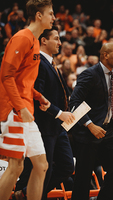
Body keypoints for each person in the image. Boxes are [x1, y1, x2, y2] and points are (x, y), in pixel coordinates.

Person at [0, 1, 55, 200]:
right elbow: (6, 76)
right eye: (50, 13)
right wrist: (20, 106)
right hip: (14, 111)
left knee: (41, 166)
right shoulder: (22, 38)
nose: (54, 17)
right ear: (39, 16)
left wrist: (39, 97)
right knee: (16, 167)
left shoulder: (36, 40)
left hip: (26, 111)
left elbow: (23, 81)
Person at [13, 25, 75, 200]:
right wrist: (58, 113)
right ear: (44, 40)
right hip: (44, 125)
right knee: (42, 170)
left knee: (66, 167)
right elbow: (36, 95)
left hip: (59, 126)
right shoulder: (37, 62)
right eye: (56, 38)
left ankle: (26, 194)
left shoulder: (51, 64)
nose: (59, 42)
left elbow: (60, 93)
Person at [70, 43, 113, 200]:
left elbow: (112, 103)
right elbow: (74, 102)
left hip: (108, 131)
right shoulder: (89, 74)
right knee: (83, 176)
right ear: (105, 55)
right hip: (87, 132)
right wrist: (90, 125)